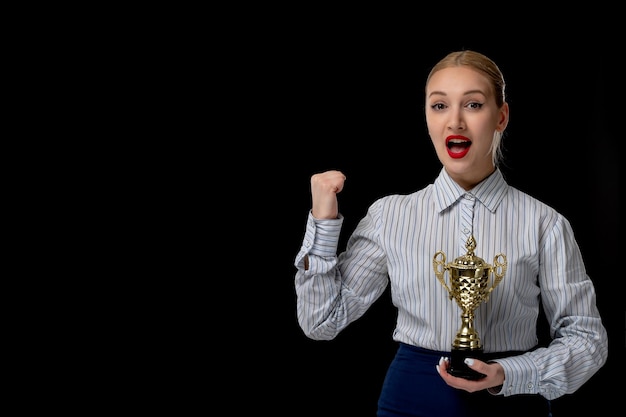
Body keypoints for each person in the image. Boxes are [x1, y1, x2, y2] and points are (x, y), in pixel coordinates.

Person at [293, 50, 608, 417]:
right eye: (439, 106)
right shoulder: (390, 216)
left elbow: (588, 342)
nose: (455, 121)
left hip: (512, 407)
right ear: (426, 118)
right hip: (408, 404)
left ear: (501, 117)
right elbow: (321, 322)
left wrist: (509, 373)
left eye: (473, 104)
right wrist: (323, 223)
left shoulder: (545, 224)